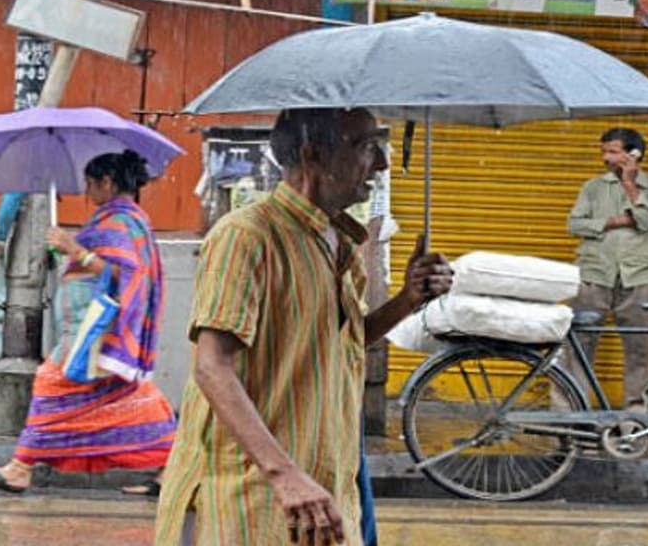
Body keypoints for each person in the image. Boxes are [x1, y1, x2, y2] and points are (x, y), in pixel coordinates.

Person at [154, 108, 453, 546]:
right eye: (368, 146)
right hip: (250, 497)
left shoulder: (339, 243)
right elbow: (212, 368)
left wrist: (408, 299)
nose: (383, 164)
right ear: (316, 154)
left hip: (321, 493)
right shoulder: (248, 236)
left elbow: (339, 345)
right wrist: (285, 475)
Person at [0, 150, 176, 493]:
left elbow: (127, 274)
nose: (87, 193)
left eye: (91, 184)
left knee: (50, 383)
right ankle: (173, 466)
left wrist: (75, 250)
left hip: (97, 332)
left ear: (107, 182)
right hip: (88, 328)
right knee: (128, 398)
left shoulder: (122, 222)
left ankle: (20, 467)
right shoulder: (118, 219)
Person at [566, 127, 648, 410]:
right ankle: (571, 416)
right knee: (579, 346)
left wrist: (629, 184)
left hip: (638, 279)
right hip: (593, 276)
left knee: (639, 349)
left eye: (612, 151)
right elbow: (574, 225)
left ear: (633, 154)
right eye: (604, 151)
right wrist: (613, 222)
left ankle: (634, 416)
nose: (605, 158)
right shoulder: (592, 187)